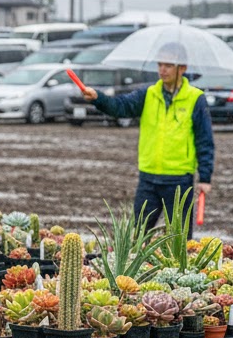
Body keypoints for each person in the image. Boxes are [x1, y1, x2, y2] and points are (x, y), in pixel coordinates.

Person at [77, 42, 214, 233]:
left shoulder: (195, 98)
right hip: (148, 179)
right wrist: (98, 98)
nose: (162, 70)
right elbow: (121, 106)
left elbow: (204, 140)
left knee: (179, 239)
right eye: (160, 65)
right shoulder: (148, 93)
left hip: (179, 181)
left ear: (182, 68)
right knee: (137, 236)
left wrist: (205, 177)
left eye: (168, 65)